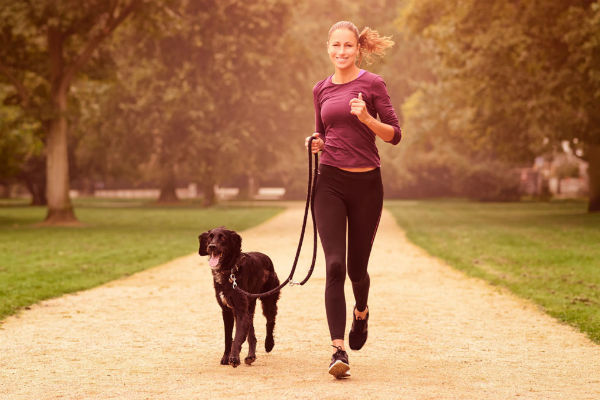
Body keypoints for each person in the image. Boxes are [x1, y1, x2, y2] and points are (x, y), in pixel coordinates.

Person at [305, 20, 401, 379]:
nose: (341, 52)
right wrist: (316, 143)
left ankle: (361, 311)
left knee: (357, 270)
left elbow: (395, 134)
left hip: (366, 186)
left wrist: (367, 118)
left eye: (347, 46)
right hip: (329, 183)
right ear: (327, 48)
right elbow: (322, 131)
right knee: (335, 266)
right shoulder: (320, 89)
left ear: (357, 49)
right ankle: (337, 350)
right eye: (335, 46)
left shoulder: (372, 84)